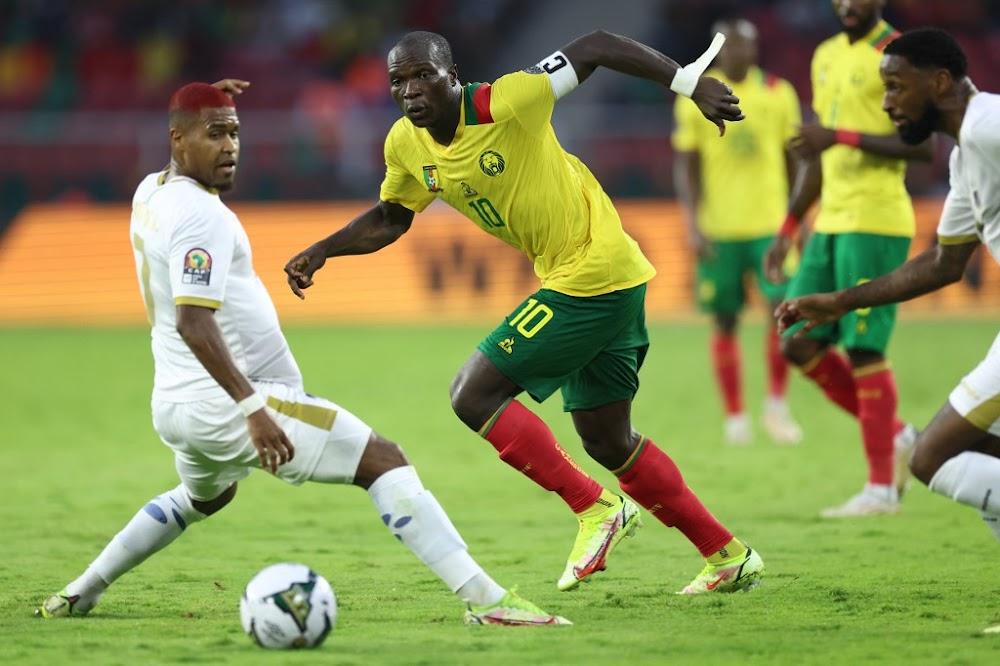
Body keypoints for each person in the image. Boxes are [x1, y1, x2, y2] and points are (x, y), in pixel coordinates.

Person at [36, 81, 568, 627]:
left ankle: (82, 590)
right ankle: (487, 600)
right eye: (214, 134)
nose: (229, 147)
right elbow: (193, 322)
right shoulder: (201, 217)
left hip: (174, 404)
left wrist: (207, 99)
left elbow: (188, 293)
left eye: (234, 133)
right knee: (383, 461)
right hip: (227, 402)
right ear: (178, 139)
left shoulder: (150, 191)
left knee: (207, 497)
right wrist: (252, 409)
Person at [285, 30, 764, 594]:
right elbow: (392, 217)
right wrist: (325, 249)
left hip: (591, 272)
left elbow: (595, 45)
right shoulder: (405, 144)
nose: (410, 90)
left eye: (423, 76)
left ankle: (595, 508)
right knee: (607, 440)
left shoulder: (507, 101)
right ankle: (727, 555)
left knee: (472, 394)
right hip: (606, 277)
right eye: (398, 81)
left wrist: (687, 83)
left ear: (452, 76)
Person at [775, 27, 999, 626]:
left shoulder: (988, 126)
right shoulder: (966, 156)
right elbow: (943, 263)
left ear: (941, 83)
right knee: (971, 449)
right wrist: (840, 302)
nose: (887, 102)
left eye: (897, 87)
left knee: (932, 458)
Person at [763, 0, 927, 518]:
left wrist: (840, 137)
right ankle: (897, 434)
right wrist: (789, 227)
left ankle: (880, 491)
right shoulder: (826, 54)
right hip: (830, 220)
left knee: (863, 350)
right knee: (797, 338)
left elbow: (922, 147)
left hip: (876, 218)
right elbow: (817, 151)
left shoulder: (898, 53)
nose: (847, 4)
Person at [673, 18, 803, 446]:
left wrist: (797, 220)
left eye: (745, 45)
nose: (738, 53)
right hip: (720, 229)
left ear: (756, 48)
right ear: (718, 51)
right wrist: (692, 224)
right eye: (729, 46)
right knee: (724, 321)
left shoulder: (779, 93)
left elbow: (793, 160)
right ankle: (735, 417)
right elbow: (687, 166)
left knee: (781, 313)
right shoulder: (696, 93)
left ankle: (776, 406)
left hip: (770, 227)